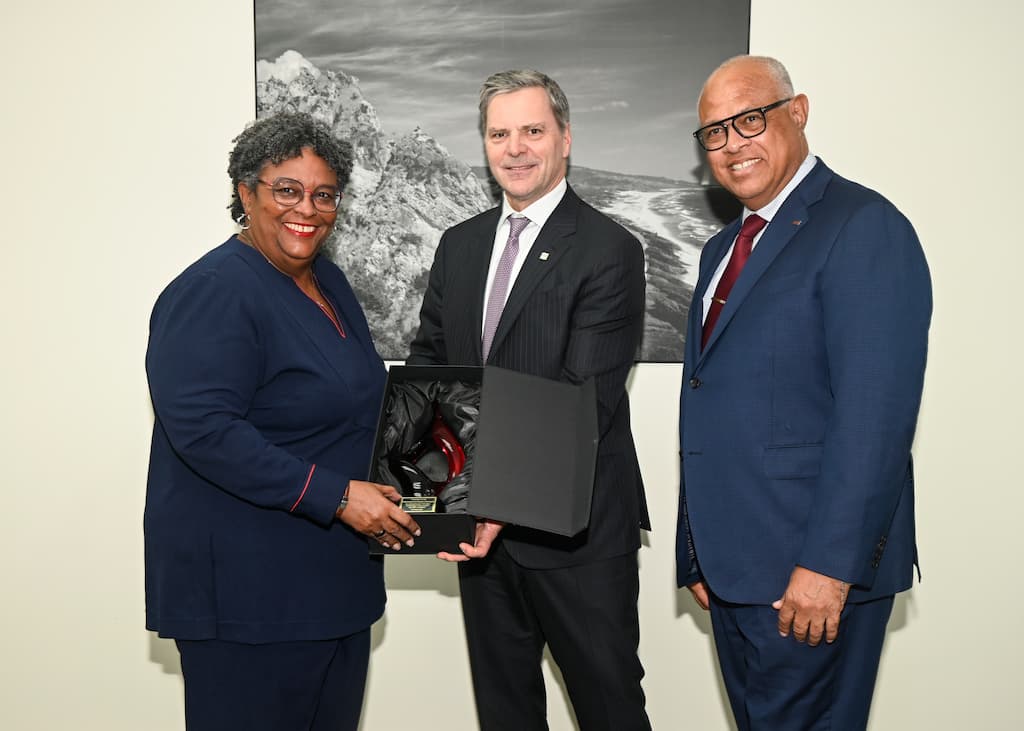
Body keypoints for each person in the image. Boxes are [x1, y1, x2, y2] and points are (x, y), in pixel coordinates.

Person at [676, 55, 932, 730]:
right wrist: (696, 550)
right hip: (735, 574)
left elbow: (874, 419)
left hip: (809, 579)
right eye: (714, 132)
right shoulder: (720, 249)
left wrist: (827, 567)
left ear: (799, 111)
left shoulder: (862, 227)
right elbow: (708, 401)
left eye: (749, 120)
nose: (732, 144)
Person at [144, 111, 421, 731]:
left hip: (331, 588)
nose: (309, 209)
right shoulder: (212, 290)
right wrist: (337, 496)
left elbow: (353, 406)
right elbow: (206, 432)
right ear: (246, 192)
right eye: (287, 190)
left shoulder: (327, 279)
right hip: (250, 599)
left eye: (325, 194)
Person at [407, 70, 651, 730]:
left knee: (610, 710)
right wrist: (439, 495)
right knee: (505, 712)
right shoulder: (459, 246)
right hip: (479, 537)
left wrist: (487, 501)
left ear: (565, 139)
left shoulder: (609, 250)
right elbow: (432, 369)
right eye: (498, 133)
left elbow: (582, 401)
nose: (514, 148)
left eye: (532, 131)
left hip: (577, 536)